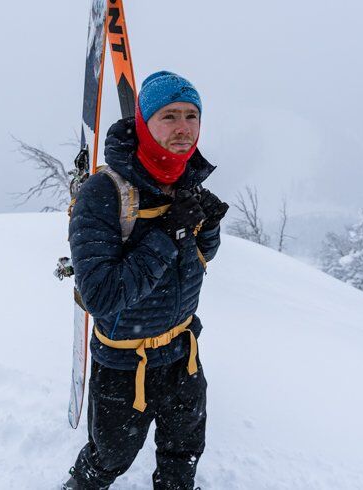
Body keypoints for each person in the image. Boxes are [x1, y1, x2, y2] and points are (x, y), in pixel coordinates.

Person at [64, 71, 229, 490]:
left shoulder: (184, 179)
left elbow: (197, 260)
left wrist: (206, 227)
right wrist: (167, 234)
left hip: (182, 354)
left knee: (182, 457)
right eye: (169, 116)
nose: (183, 128)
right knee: (108, 461)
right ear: (144, 124)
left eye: (191, 116)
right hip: (124, 363)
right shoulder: (103, 193)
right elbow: (103, 295)